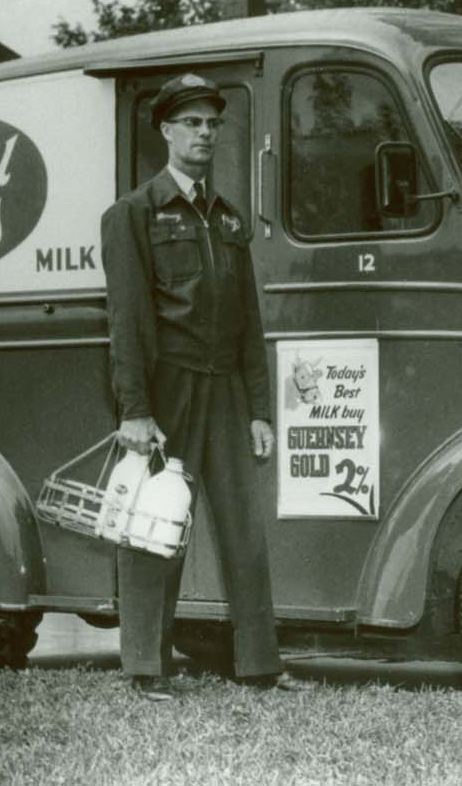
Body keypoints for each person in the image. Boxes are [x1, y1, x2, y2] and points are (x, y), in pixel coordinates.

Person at [100, 72, 307, 701]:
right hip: (168, 394)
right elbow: (129, 322)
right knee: (155, 526)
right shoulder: (133, 214)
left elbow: (249, 323)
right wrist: (135, 410)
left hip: (224, 395)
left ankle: (260, 667)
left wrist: (260, 410)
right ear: (165, 130)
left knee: (244, 529)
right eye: (191, 122)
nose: (205, 133)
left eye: (213, 123)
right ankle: (144, 667)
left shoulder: (227, 219)